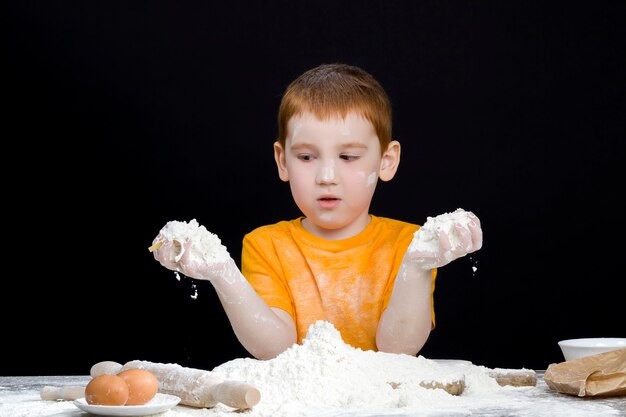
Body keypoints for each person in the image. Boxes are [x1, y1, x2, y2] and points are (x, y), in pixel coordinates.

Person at [152, 63, 482, 360]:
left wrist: (418, 265)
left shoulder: (412, 245)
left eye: (348, 157)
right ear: (283, 161)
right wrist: (222, 273)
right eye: (307, 157)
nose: (326, 177)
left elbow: (398, 349)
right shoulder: (266, 245)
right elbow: (274, 348)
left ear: (386, 161)